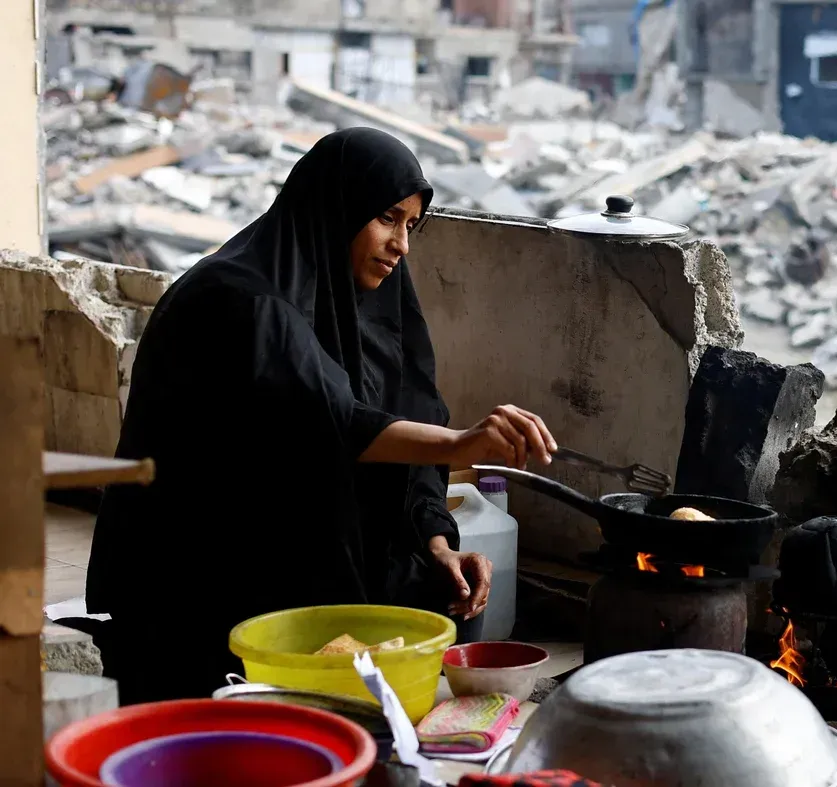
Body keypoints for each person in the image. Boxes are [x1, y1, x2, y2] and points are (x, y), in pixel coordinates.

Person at [84, 127, 557, 704]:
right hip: (210, 564)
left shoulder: (376, 309)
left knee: (445, 595)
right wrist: (459, 444)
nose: (402, 245)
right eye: (386, 218)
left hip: (305, 537)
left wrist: (437, 542)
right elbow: (326, 421)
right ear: (337, 207)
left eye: (412, 225)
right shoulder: (236, 298)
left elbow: (408, 420)